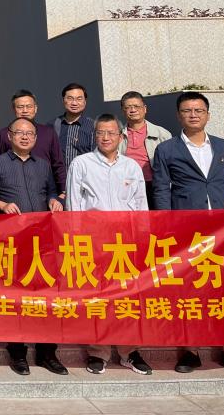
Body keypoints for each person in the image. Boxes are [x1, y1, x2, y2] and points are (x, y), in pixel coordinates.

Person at [153, 91, 224, 376]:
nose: (193, 115)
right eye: (187, 111)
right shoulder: (166, 150)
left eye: (198, 110)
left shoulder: (223, 146)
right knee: (189, 292)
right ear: (179, 116)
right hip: (187, 231)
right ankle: (190, 352)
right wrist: (166, 226)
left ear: (207, 115)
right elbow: (161, 189)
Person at [65, 114, 151, 376]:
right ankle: (98, 351)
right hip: (94, 241)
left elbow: (141, 205)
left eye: (111, 133)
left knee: (128, 297)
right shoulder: (81, 164)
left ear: (121, 136)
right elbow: (73, 205)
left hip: (126, 243)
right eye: (101, 132)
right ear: (95, 136)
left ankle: (129, 351)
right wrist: (77, 240)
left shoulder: (131, 167)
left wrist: (142, 239)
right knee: (97, 297)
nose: (105, 137)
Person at [0, 117, 66, 376]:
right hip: (10, 242)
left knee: (45, 298)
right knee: (14, 298)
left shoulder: (43, 165)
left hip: (41, 242)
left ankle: (46, 353)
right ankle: (17, 352)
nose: (24, 137)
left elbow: (52, 191)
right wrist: (1, 204)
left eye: (29, 133)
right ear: (9, 136)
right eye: (19, 132)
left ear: (35, 138)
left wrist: (54, 201)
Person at [0, 90, 65, 197]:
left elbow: (58, 164)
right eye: (20, 107)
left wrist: (63, 191)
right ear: (14, 109)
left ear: (35, 108)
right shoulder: (5, 134)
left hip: (44, 192)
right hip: (14, 193)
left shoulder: (48, 133)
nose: (25, 110)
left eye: (29, 106)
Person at [117, 91, 172, 207]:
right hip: (127, 186)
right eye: (128, 107)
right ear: (123, 110)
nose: (133, 110)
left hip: (154, 186)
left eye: (136, 106)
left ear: (145, 108)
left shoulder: (162, 134)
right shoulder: (117, 135)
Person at [53, 83, 95, 172]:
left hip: (84, 178)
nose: (74, 103)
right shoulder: (52, 125)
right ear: (63, 100)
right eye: (70, 98)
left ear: (85, 102)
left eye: (79, 99)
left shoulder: (93, 126)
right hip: (59, 178)